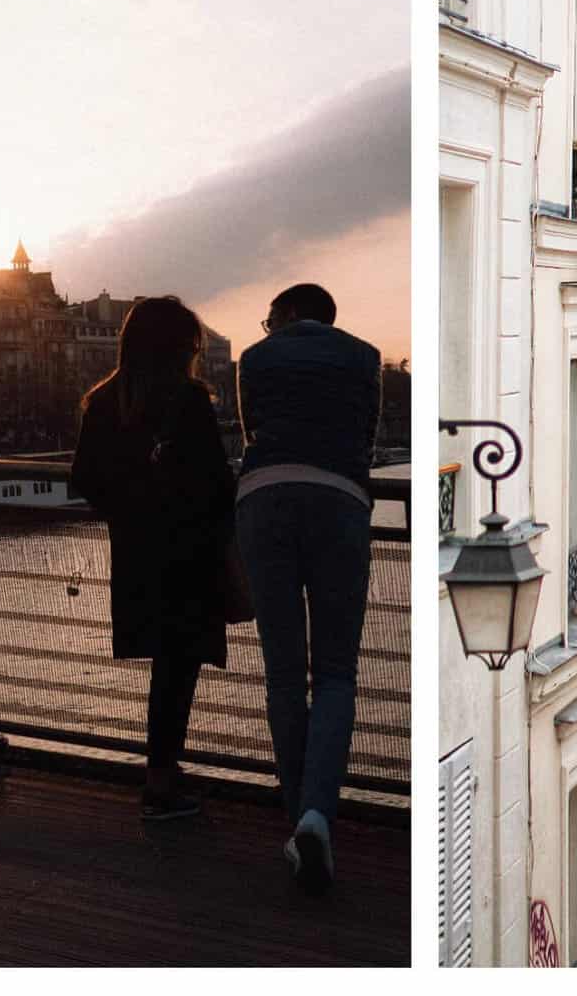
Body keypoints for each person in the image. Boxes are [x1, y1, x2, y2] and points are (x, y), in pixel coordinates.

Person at [236, 282, 381, 895]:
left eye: (270, 321)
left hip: (264, 498)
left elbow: (252, 433)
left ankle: (301, 821)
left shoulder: (255, 360)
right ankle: (317, 816)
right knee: (337, 674)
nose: (267, 330)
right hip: (340, 501)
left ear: (288, 315)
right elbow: (364, 442)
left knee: (283, 675)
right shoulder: (366, 357)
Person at [69, 296, 235, 822]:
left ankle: (162, 768)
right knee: (179, 666)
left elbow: (86, 480)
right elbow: (216, 483)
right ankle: (161, 781)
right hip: (188, 553)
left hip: (138, 552)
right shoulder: (187, 400)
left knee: (166, 664)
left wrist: (131, 512)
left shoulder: (105, 401)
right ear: (179, 346)